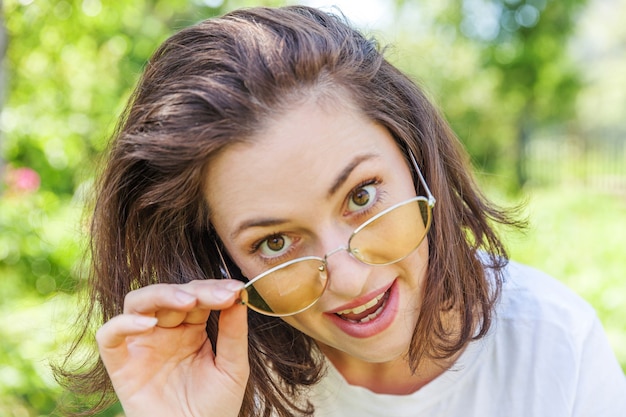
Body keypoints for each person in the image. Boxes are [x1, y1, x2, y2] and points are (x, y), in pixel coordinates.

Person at [56, 5, 626, 417]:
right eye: (274, 243)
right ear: (222, 259)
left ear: (415, 159)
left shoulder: (553, 343)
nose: (349, 279)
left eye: (361, 196)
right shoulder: (224, 384)